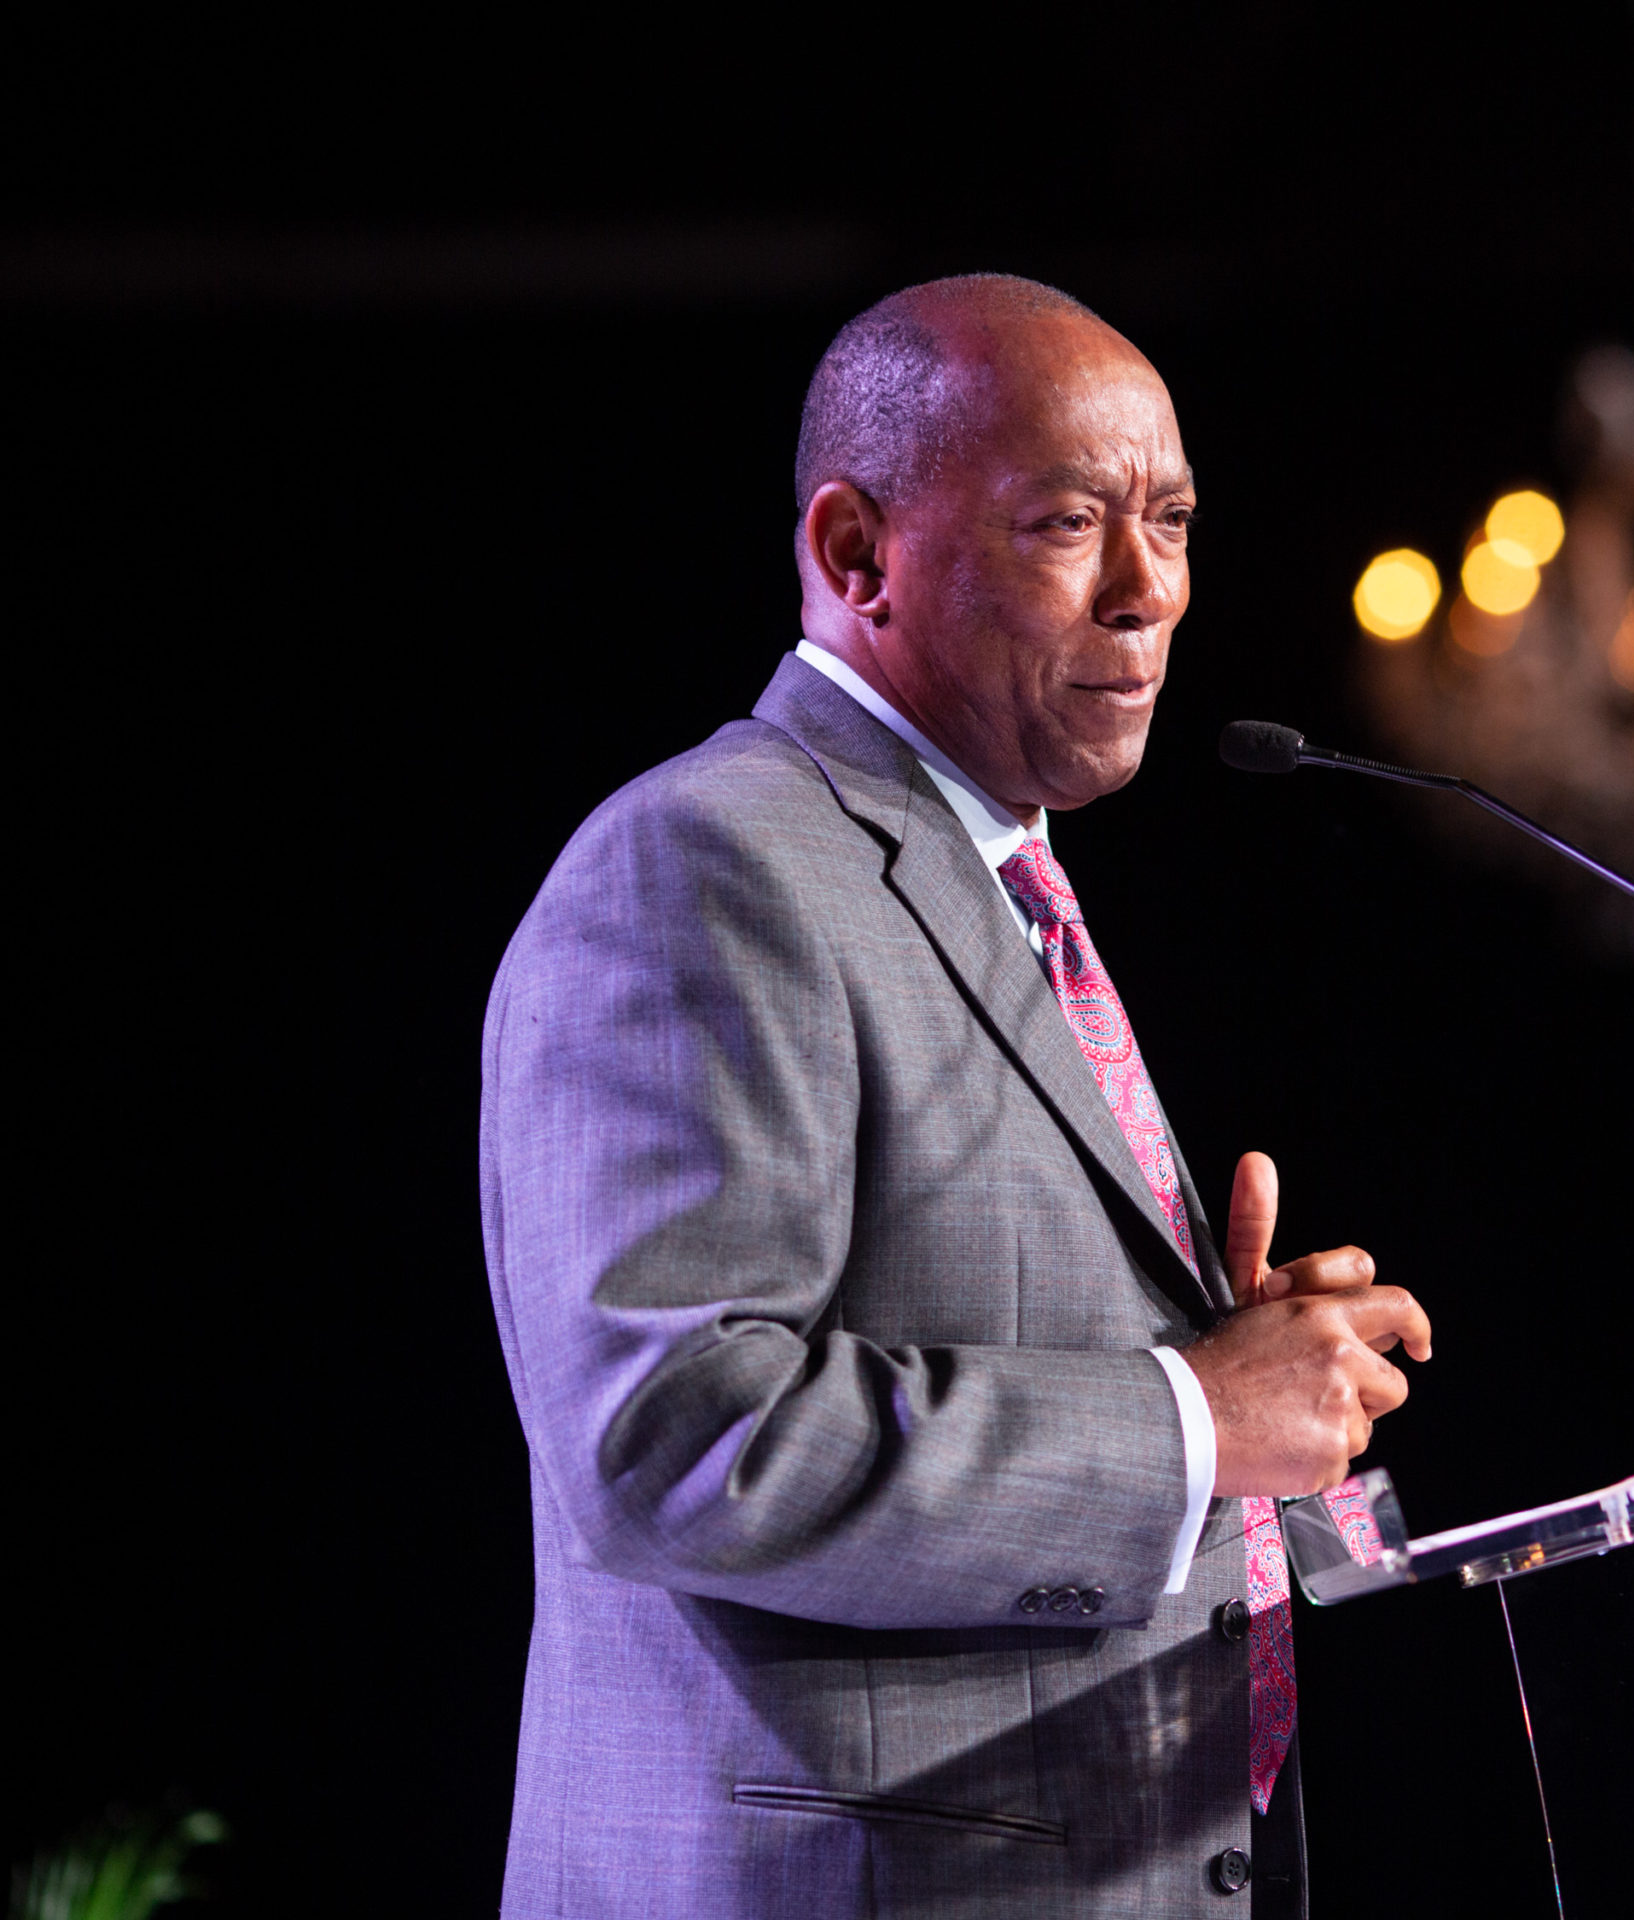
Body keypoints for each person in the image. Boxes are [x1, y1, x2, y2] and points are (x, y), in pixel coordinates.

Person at [478, 273, 1432, 1919]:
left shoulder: (995, 880)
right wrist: (1189, 1418)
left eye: (1173, 523)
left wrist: (1241, 1367)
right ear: (857, 554)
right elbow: (673, 1435)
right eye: (1070, 524)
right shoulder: (703, 863)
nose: (1150, 590)